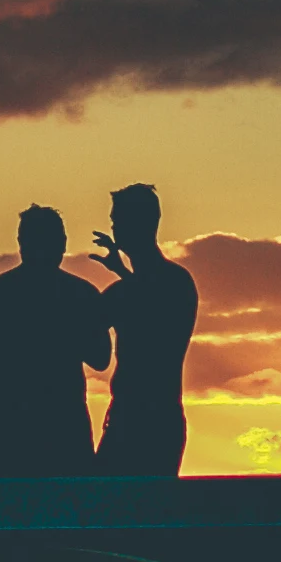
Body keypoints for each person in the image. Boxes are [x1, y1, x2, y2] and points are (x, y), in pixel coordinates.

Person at [0, 206, 112, 474]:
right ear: (63, 243)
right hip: (65, 426)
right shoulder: (80, 293)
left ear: (21, 243)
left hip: (10, 428)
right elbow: (101, 358)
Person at [91, 183, 197, 476]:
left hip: (151, 420)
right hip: (130, 418)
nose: (113, 227)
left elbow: (152, 314)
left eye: (118, 221)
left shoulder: (174, 282)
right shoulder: (158, 284)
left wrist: (122, 274)